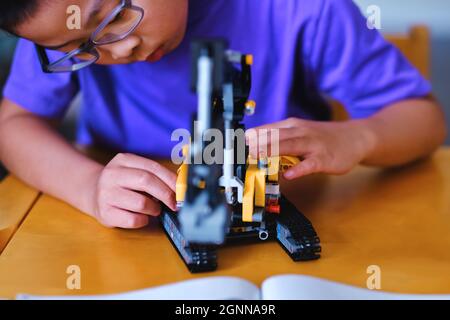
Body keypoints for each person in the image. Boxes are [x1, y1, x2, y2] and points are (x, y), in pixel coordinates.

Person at [0, 0, 446, 229]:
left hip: (294, 213)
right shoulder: (58, 24)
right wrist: (88, 185)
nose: (119, 50)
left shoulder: (302, 8)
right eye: (79, 50)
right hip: (134, 238)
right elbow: (13, 124)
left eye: (116, 16)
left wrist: (356, 138)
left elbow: (424, 121)